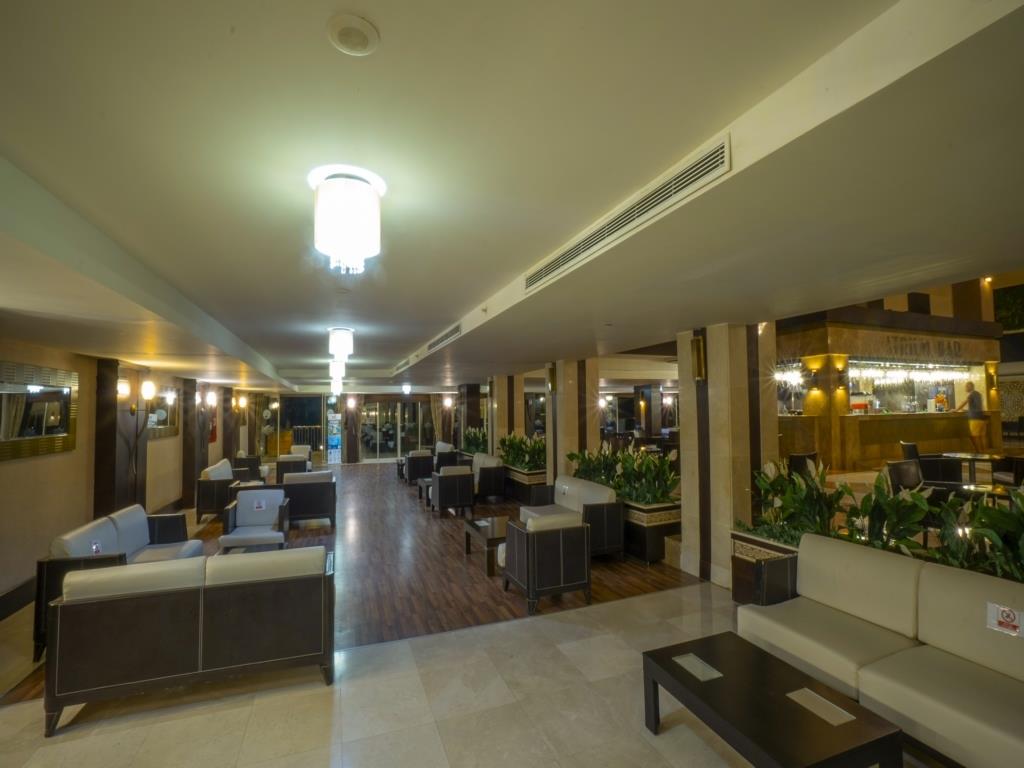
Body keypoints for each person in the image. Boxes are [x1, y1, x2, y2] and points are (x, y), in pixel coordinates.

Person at [955, 381, 986, 452]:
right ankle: (985, 452)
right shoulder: (978, 394)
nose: (965, 388)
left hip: (975, 419)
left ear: (970, 387)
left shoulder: (971, 394)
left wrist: (956, 409)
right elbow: (977, 406)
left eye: (966, 386)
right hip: (982, 418)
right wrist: (967, 410)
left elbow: (964, 402)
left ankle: (979, 452)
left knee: (974, 436)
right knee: (982, 437)